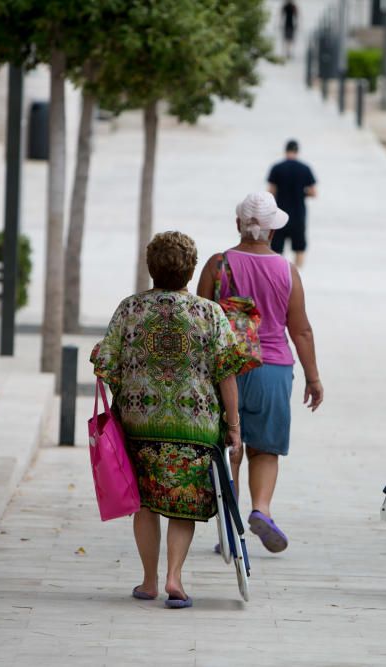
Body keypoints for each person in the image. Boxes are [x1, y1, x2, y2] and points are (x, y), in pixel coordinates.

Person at [91, 231, 243, 609]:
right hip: (195, 426)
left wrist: (130, 398)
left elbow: (106, 364)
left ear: (151, 267)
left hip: (140, 424)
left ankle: (148, 580)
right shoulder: (210, 313)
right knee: (182, 501)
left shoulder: (129, 309)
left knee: (144, 502)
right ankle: (175, 577)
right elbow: (226, 372)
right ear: (191, 270)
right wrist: (235, 426)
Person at [198, 191, 324, 554]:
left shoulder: (217, 264)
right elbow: (300, 330)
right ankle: (262, 509)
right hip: (273, 368)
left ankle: (233, 528)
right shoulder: (287, 270)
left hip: (226, 370)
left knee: (229, 448)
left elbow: (201, 319)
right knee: (265, 449)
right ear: (272, 230)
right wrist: (314, 378)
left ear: (238, 224)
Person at [268, 139, 317, 268]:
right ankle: (296, 276)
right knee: (299, 248)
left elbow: (270, 192)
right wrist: (302, 193)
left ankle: (277, 274)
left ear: (285, 150)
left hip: (279, 215)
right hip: (298, 214)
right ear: (297, 151)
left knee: (276, 249)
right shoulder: (305, 169)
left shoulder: (277, 168)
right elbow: (313, 193)